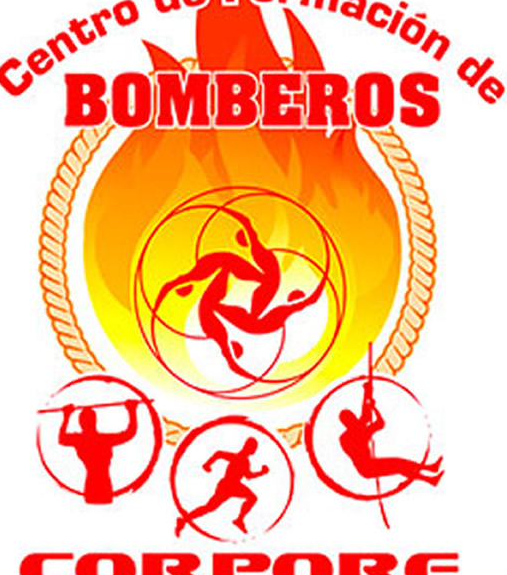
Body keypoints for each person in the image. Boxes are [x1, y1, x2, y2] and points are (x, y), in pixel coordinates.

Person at [154, 209, 321, 380]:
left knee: (231, 276)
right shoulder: (262, 294)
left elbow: (309, 301)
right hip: (244, 290)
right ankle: (176, 286)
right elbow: (246, 223)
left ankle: (177, 286)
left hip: (245, 298)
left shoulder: (259, 310)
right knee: (232, 272)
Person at [338, 377, 443, 487]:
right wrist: (368, 392)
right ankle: (429, 474)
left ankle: (430, 473)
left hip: (371, 464)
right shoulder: (347, 437)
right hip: (367, 468)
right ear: (347, 422)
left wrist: (373, 406)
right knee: (399, 466)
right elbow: (366, 417)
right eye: (352, 418)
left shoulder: (360, 430)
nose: (355, 419)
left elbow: (378, 422)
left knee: (400, 464)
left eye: (353, 417)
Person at [176, 437, 271, 536]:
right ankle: (184, 520)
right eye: (254, 448)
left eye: (255, 448)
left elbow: (248, 476)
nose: (254, 450)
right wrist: (207, 464)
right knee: (209, 508)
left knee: (252, 498)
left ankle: (239, 520)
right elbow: (219, 454)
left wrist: (261, 473)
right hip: (227, 486)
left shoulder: (246, 462)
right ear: (248, 447)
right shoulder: (237, 457)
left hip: (234, 486)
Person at [59, 400, 141, 504]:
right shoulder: (102, 440)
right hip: (101, 487)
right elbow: (129, 433)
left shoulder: (80, 440)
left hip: (96, 488)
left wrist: (66, 416)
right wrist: (132, 410)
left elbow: (62, 439)